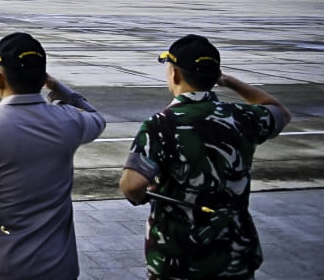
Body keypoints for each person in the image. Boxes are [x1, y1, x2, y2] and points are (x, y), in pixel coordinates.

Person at [120, 34, 292, 279]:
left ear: (175, 74)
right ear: (214, 76)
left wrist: (146, 194)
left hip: (178, 258)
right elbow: (279, 112)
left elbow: (131, 186)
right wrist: (229, 82)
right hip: (235, 255)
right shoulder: (243, 117)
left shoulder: (161, 125)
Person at [0, 32, 106, 280]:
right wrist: (59, 88)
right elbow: (97, 118)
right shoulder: (69, 121)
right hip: (58, 268)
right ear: (43, 79)